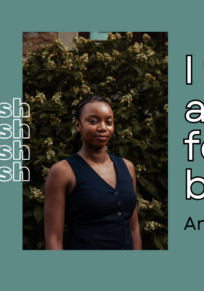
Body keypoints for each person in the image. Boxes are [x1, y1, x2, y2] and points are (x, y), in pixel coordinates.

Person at [44, 95, 142, 250]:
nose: (103, 127)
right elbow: (54, 240)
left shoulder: (127, 167)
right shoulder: (63, 171)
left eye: (109, 122)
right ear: (78, 125)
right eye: (93, 121)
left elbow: (134, 227)